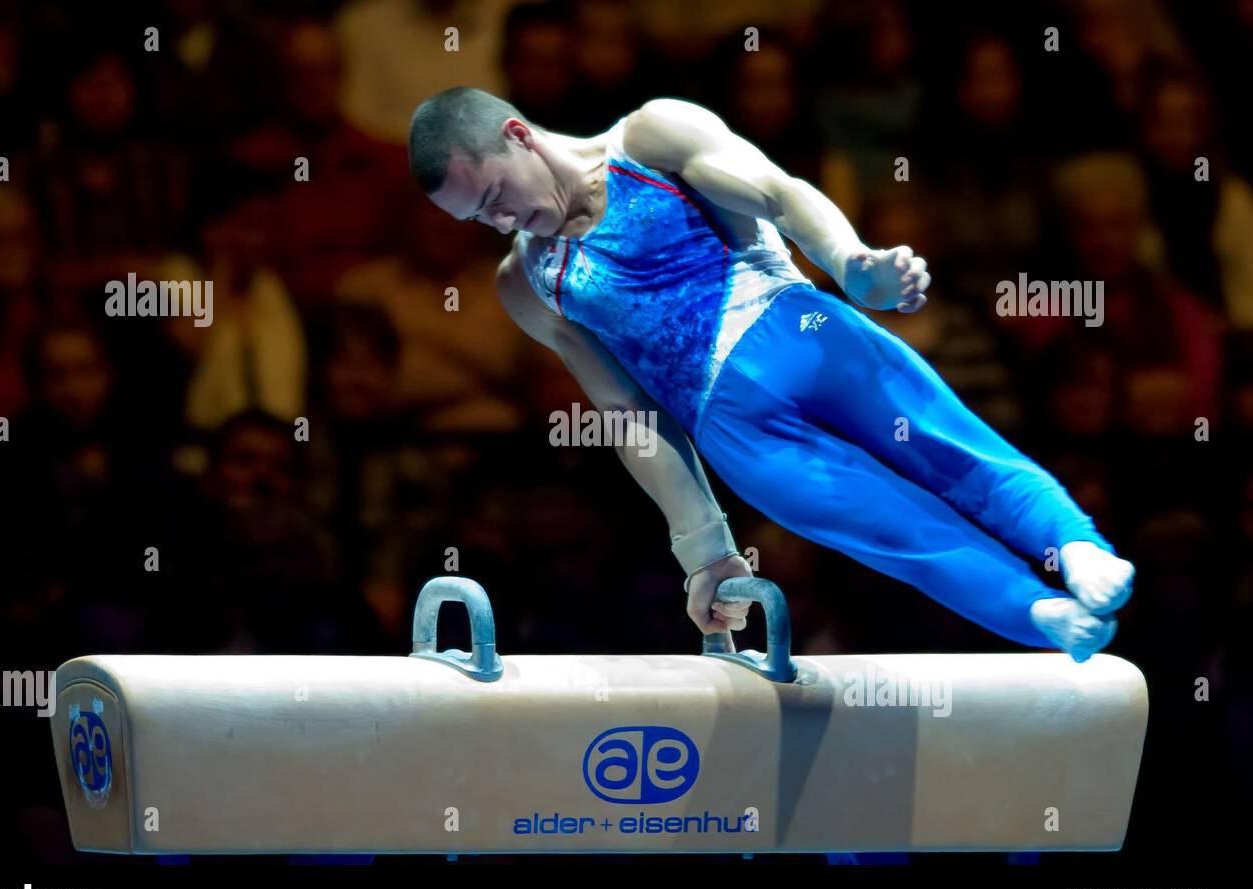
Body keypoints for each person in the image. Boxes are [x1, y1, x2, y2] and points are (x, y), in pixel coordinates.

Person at [406, 87, 1135, 661]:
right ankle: (1044, 615)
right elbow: (629, 417)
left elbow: (780, 195)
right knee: (896, 533)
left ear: (518, 135)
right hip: (738, 433)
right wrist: (705, 549)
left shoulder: (647, 139)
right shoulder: (526, 282)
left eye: (495, 196)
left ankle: (1076, 548)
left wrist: (853, 267)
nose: (501, 223)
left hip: (804, 335)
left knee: (952, 453)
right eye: (479, 219)